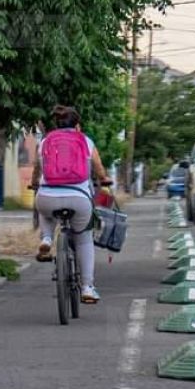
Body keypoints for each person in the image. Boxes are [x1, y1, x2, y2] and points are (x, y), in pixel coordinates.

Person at [29, 105, 112, 304]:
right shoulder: (85, 140)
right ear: (77, 126)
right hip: (80, 198)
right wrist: (104, 179)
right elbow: (99, 168)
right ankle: (87, 288)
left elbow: (37, 170)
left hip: (47, 196)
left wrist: (34, 184)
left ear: (57, 124)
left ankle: (47, 239)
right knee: (84, 239)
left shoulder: (46, 141)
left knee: (44, 208)